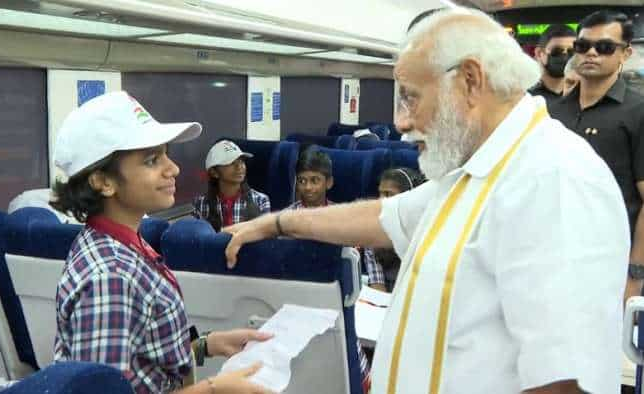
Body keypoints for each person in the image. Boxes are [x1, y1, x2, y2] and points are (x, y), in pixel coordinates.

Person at [223, 8, 629, 394]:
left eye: (412, 97)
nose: (401, 121)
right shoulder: (476, 172)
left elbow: (563, 382)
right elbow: (384, 216)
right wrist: (277, 223)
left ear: (470, 80)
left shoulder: (553, 180)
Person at [50, 91, 273, 394]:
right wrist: (212, 390)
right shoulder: (110, 277)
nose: (174, 168)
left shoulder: (122, 242)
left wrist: (204, 346)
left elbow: (141, 357)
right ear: (104, 182)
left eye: (166, 154)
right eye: (152, 160)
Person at [550, 10, 644, 301]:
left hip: (611, 263)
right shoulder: (553, 112)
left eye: (604, 47)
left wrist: (635, 274)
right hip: (552, 257)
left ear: (624, 54)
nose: (591, 53)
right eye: (582, 46)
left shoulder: (638, 111)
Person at [283, 147, 372, 393]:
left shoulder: (343, 220)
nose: (308, 188)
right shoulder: (283, 221)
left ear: (329, 182)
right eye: (302, 181)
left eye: (315, 180)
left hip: (335, 305)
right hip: (294, 305)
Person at [368, 167, 425, 291]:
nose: (381, 200)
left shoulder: (424, 233)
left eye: (388, 194)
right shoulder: (375, 232)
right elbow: (377, 286)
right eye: (380, 194)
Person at [193, 140, 270, 231]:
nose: (239, 167)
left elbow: (265, 237)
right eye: (231, 163)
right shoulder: (201, 203)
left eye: (241, 161)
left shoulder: (260, 200)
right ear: (214, 173)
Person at [528, 24, 576, 106]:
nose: (564, 57)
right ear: (539, 53)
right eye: (556, 51)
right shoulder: (525, 96)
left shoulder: (586, 93)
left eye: (571, 52)